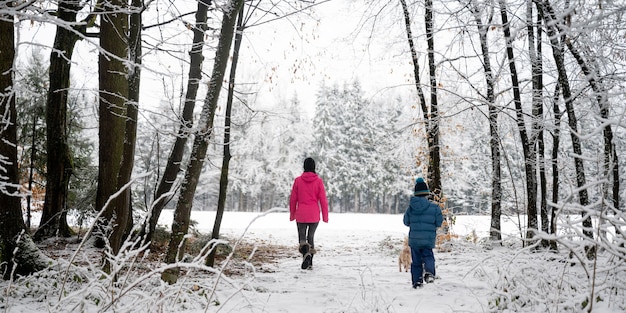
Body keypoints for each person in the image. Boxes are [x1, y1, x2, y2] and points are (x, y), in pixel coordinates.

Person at [289, 157, 329, 270]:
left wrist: (292, 214)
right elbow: (323, 200)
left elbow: (293, 199)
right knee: (310, 237)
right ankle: (310, 261)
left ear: (304, 167)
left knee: (302, 237)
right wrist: (325, 216)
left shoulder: (298, 181)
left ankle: (305, 255)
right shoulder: (318, 181)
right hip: (314, 214)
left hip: (301, 213)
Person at [403, 177, 443, 288]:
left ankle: (417, 282)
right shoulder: (434, 208)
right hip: (428, 238)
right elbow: (439, 222)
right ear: (426, 193)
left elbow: (406, 222)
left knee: (416, 262)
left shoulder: (410, 208)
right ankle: (429, 273)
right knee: (428, 256)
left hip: (414, 240)